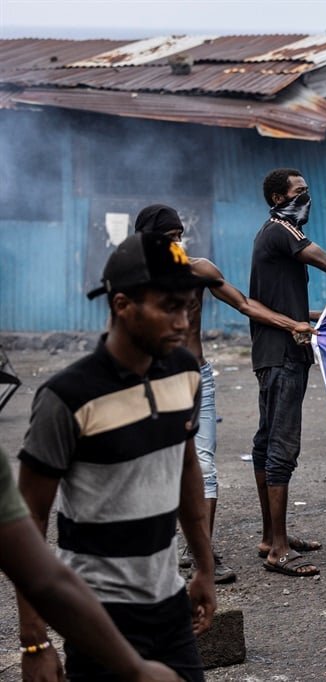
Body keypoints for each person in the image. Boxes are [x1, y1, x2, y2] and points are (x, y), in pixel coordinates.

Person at [16, 232, 217, 680]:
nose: (183, 322)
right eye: (169, 306)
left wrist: (203, 567)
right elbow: (27, 520)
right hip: (96, 618)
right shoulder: (66, 397)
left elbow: (186, 469)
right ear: (123, 305)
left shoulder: (185, 374)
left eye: (188, 306)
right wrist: (35, 638)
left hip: (171, 608)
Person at [135, 204, 317, 584]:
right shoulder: (133, 281)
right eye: (168, 238)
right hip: (152, 380)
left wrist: (292, 323)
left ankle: (201, 553)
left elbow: (244, 304)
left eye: (179, 235)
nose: (177, 243)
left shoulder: (198, 269)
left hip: (196, 376)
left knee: (203, 464)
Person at [250, 168, 326, 577]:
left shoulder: (271, 234)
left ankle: (269, 536)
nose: (306, 198)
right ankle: (278, 549)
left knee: (265, 445)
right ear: (278, 198)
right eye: (300, 192)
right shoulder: (282, 229)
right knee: (281, 449)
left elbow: (287, 308)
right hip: (282, 355)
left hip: (271, 352)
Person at [1, 449, 180, 682]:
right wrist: (35, 642)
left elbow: (44, 579)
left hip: (165, 603)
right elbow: (43, 578)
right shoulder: (60, 413)